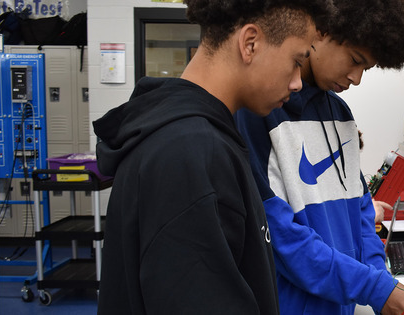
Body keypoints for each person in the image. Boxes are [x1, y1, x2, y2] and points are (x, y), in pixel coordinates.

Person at [92, 0, 333, 313]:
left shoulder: (198, 138)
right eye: (296, 61)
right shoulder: (190, 153)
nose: (297, 82)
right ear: (250, 43)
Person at [233, 0, 404, 314]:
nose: (357, 78)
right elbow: (281, 238)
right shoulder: (259, 113)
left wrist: (380, 279)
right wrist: (374, 288)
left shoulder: (340, 113)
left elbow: (361, 211)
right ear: (321, 32)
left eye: (366, 69)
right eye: (355, 60)